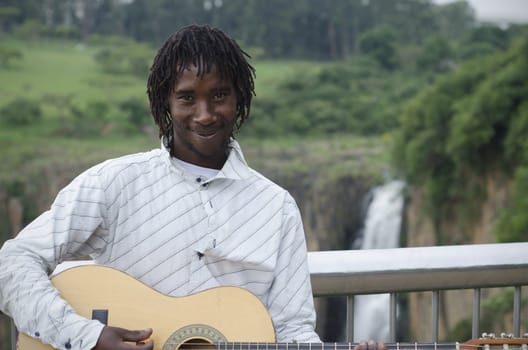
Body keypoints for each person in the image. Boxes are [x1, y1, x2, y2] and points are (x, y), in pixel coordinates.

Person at [0, 24, 321, 349]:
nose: (205, 114)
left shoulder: (276, 208)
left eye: (219, 96)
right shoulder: (116, 183)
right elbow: (12, 263)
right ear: (164, 102)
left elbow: (293, 331)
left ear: (240, 96)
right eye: (187, 98)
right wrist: (88, 337)